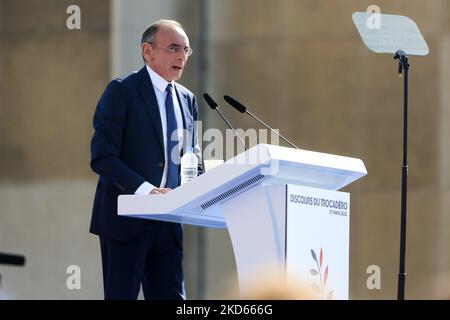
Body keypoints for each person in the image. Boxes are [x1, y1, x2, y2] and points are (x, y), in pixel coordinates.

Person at [89, 19, 203, 300]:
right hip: (127, 219)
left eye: (186, 50)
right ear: (147, 52)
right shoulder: (122, 91)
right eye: (174, 48)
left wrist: (199, 186)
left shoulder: (188, 100)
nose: (181, 56)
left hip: (169, 222)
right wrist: (147, 190)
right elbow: (102, 156)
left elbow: (193, 158)